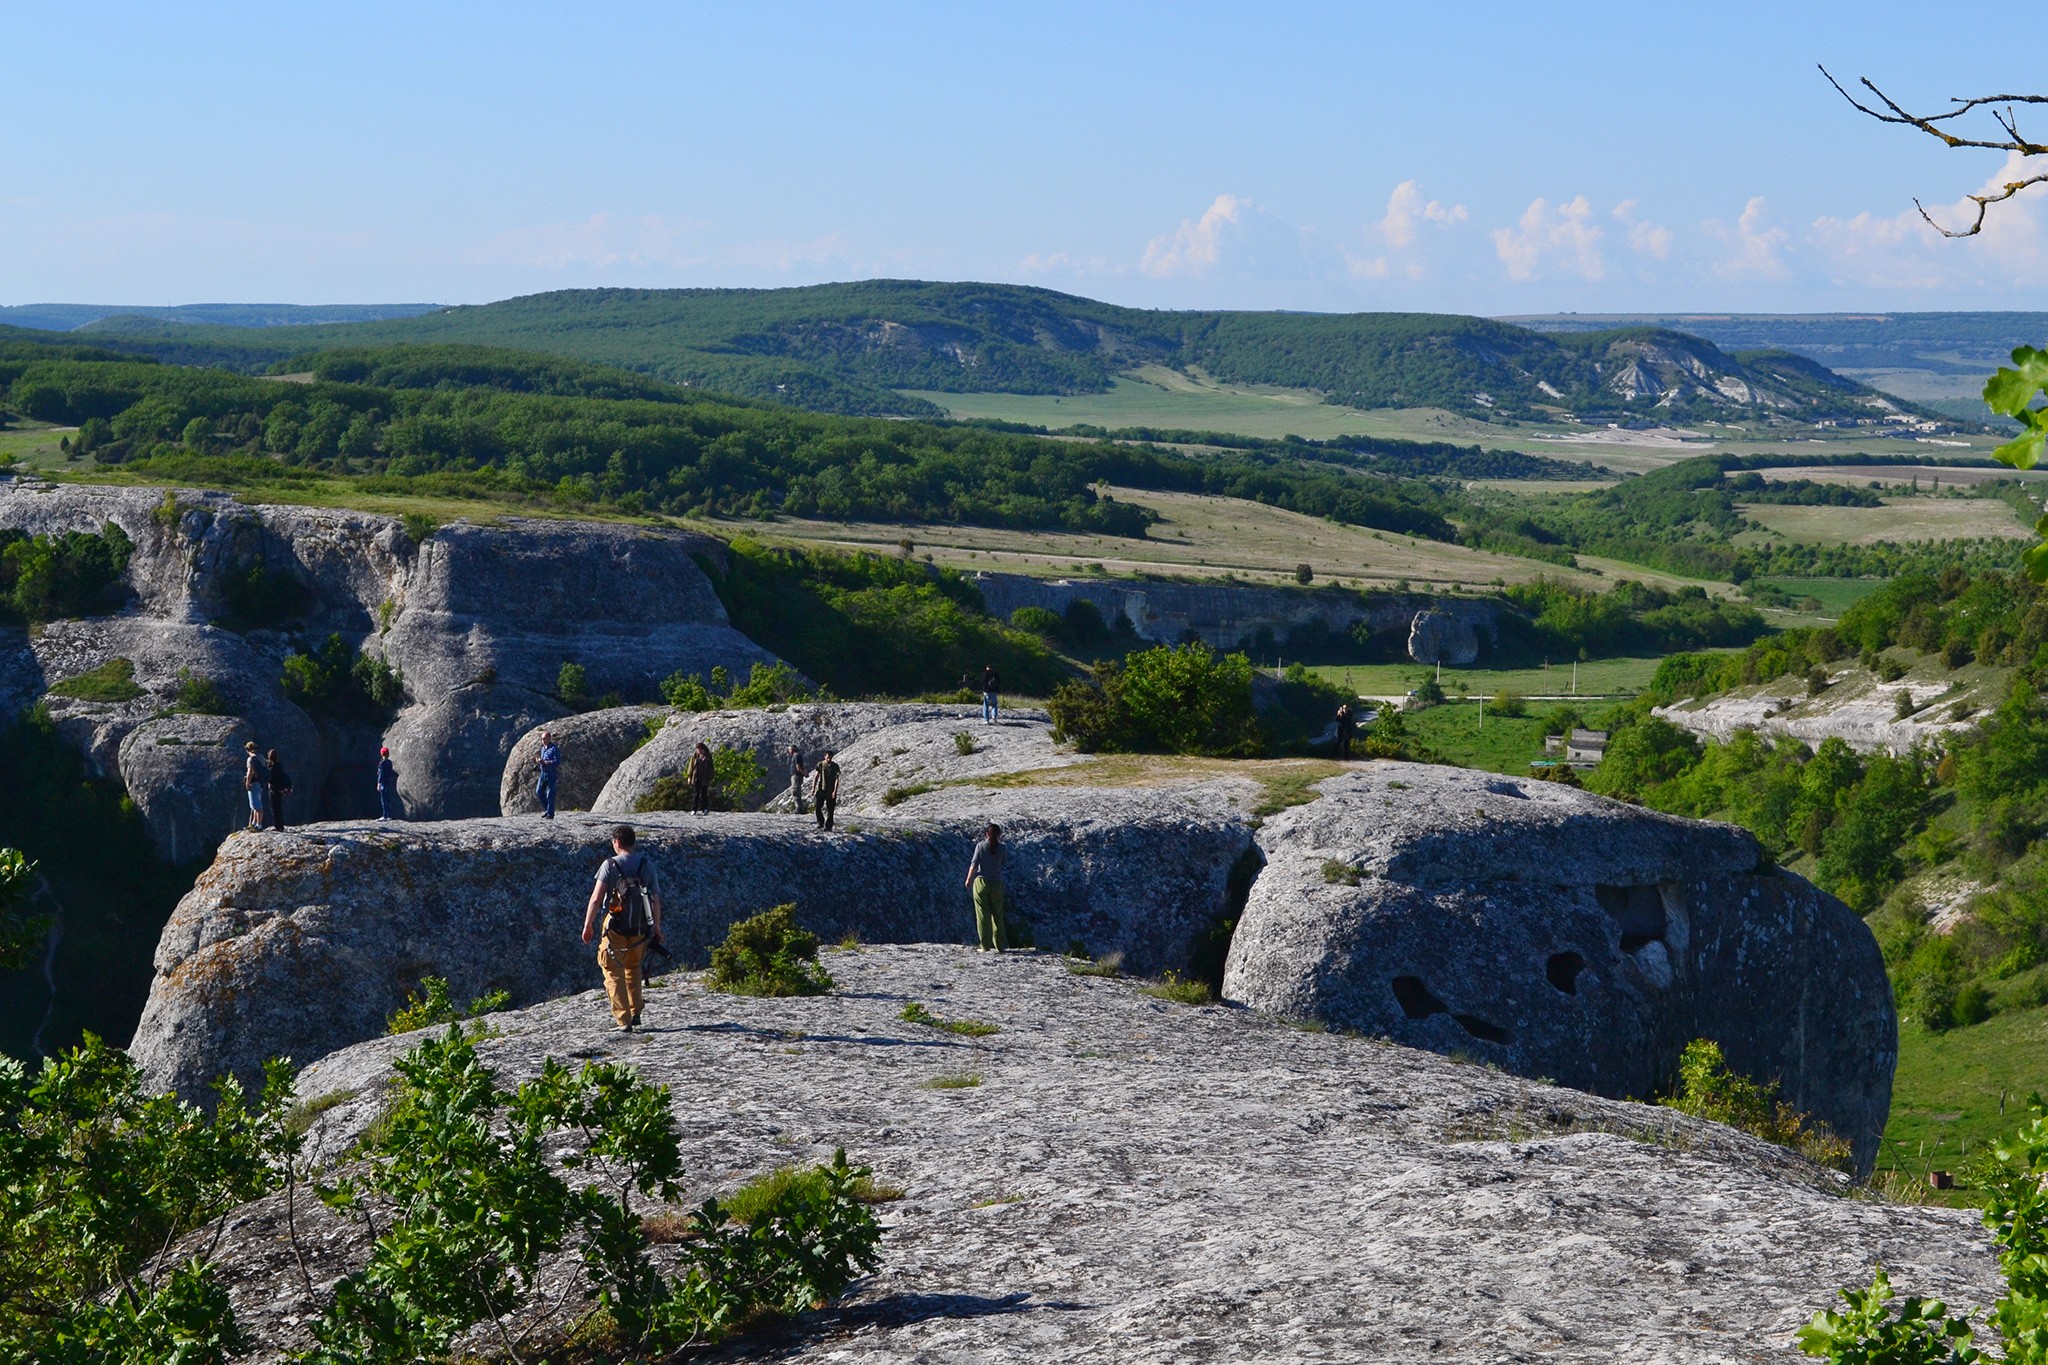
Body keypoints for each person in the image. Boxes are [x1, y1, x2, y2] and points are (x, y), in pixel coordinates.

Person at [580, 825, 664, 1032]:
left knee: (612, 970)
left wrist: (588, 924)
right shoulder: (646, 865)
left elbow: (596, 898)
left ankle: (623, 1020)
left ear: (616, 842)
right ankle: (636, 1013)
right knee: (634, 968)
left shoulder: (609, 865)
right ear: (633, 842)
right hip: (640, 927)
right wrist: (657, 928)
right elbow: (655, 898)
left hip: (615, 928)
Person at [965, 822, 1008, 951]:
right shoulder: (1003, 848)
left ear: (986, 834)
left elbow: (974, 864)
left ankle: (985, 946)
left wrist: (968, 879)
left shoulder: (980, 846)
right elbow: (1003, 863)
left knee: (983, 914)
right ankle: (1000, 945)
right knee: (997, 914)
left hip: (981, 882)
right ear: (999, 835)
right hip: (997, 883)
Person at [242, 740, 267, 831]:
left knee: (256, 805)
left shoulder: (250, 759)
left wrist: (247, 783)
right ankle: (253, 824)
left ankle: (258, 825)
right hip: (261, 783)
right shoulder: (261, 757)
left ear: (247, 749)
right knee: (255, 804)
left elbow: (249, 773)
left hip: (254, 783)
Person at [266, 748, 293, 832]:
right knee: (279, 808)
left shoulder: (272, 767)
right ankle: (280, 825)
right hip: (280, 789)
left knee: (275, 808)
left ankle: (278, 826)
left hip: (274, 790)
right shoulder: (278, 765)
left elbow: (271, 779)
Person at [535, 731, 561, 819]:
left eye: (544, 738)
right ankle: (548, 809)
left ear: (549, 738)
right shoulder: (543, 748)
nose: (543, 740)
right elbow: (542, 759)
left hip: (551, 774)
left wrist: (546, 762)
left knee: (550, 794)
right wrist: (539, 761)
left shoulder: (554, 749)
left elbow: (557, 761)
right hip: (543, 773)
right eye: (542, 739)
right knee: (539, 792)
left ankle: (550, 814)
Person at [812, 749, 840, 830]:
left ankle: (828, 826)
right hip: (821, 790)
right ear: (824, 757)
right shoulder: (820, 764)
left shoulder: (835, 766)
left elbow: (837, 779)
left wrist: (835, 791)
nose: (829, 759)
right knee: (818, 807)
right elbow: (816, 776)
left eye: (830, 758)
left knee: (830, 810)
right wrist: (813, 788)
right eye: (827, 758)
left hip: (830, 791)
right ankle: (820, 822)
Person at [686, 741, 714, 815]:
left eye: (700, 749)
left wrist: (711, 777)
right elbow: (690, 767)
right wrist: (689, 776)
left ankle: (705, 809)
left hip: (705, 778)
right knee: (696, 793)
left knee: (704, 794)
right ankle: (693, 809)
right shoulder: (694, 757)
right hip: (696, 777)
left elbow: (711, 768)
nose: (698, 751)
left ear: (703, 749)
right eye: (697, 749)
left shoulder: (708, 757)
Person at [376, 746, 400, 820]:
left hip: (383, 782)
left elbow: (381, 774)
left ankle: (385, 815)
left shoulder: (382, 763)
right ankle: (389, 815)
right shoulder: (389, 762)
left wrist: (379, 783)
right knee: (388, 799)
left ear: (381, 754)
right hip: (389, 782)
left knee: (383, 799)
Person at [787, 744, 808, 815]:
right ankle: (800, 808)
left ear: (793, 749)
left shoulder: (796, 755)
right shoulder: (797, 755)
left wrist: (804, 773)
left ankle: (798, 808)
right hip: (796, 775)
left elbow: (798, 767)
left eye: (789, 749)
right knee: (797, 791)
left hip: (796, 776)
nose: (789, 751)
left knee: (795, 791)